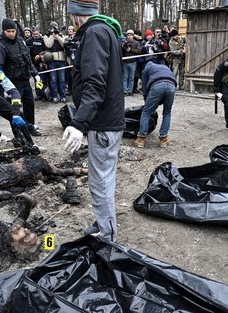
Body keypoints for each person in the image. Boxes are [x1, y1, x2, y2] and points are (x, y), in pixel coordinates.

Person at [63, 0, 125, 243]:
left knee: (100, 183)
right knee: (101, 179)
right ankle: (102, 222)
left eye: (71, 14)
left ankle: (107, 237)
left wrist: (78, 123)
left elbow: (95, 85)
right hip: (105, 120)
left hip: (103, 123)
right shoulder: (105, 30)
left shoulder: (94, 33)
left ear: (77, 13)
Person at [0, 18, 42, 136]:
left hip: (25, 80)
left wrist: (36, 74)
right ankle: (18, 133)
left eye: (13, 31)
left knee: (29, 105)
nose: (11, 33)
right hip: (12, 83)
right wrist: (3, 87)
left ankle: (30, 127)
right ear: (4, 31)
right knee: (14, 109)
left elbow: (27, 60)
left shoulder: (20, 40)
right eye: (8, 31)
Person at [134, 61, 176, 148]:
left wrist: (148, 103)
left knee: (146, 112)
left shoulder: (146, 70)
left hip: (157, 85)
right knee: (167, 112)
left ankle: (141, 139)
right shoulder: (164, 67)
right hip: (172, 85)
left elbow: (145, 89)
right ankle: (163, 139)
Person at [43, 21, 67, 103]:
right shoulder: (46, 36)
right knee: (53, 80)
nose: (54, 29)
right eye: (52, 27)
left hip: (61, 60)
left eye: (55, 27)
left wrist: (58, 36)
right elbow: (48, 45)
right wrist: (52, 35)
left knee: (62, 79)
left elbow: (64, 44)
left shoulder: (61, 35)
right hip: (52, 61)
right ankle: (54, 96)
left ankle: (63, 96)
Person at [26, 28, 47, 101]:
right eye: (34, 34)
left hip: (42, 62)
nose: (35, 35)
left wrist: (40, 54)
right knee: (36, 79)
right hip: (33, 63)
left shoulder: (42, 40)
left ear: (39, 33)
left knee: (43, 79)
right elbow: (26, 50)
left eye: (36, 34)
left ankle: (44, 94)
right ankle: (38, 94)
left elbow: (46, 49)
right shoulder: (29, 41)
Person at [121, 29, 141, 96]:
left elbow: (139, 51)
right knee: (125, 77)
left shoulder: (136, 43)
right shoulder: (124, 43)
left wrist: (130, 50)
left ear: (133, 36)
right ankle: (125, 91)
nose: (129, 37)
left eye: (130, 35)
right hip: (125, 62)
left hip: (133, 62)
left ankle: (130, 90)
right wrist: (122, 47)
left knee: (131, 77)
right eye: (128, 35)